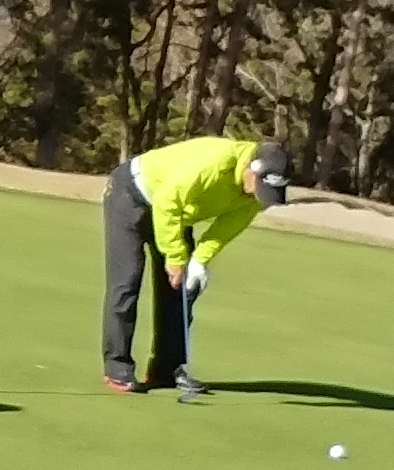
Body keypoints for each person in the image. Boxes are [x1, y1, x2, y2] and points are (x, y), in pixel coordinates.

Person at [102, 133, 295, 398]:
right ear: (250, 169)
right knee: (127, 281)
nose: (259, 196)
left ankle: (166, 368)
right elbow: (167, 201)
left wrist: (199, 260)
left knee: (180, 289)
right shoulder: (213, 164)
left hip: (175, 214)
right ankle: (117, 367)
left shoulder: (254, 196)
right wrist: (175, 257)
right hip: (132, 195)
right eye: (260, 185)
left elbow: (225, 229)